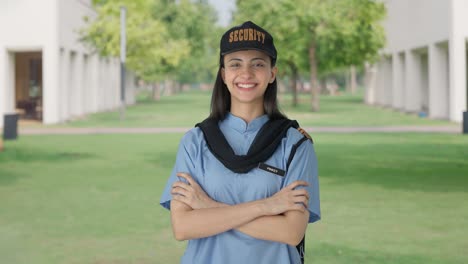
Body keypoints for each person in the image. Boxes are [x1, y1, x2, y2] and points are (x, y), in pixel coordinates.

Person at [160, 21, 320, 264]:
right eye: (236, 64)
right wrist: (267, 206)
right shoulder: (195, 142)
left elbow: (290, 232)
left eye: (258, 64)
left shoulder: (295, 144)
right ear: (224, 74)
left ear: (272, 74)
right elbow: (182, 227)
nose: (246, 74)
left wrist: (208, 207)